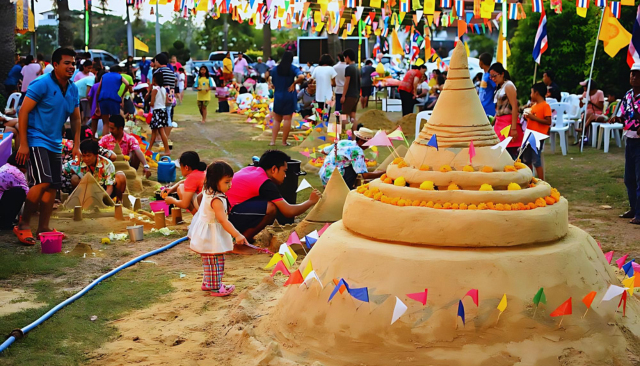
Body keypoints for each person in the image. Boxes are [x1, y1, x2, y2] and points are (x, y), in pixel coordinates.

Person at [14, 48, 81, 245]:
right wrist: (24, 144)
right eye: (67, 63)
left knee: (53, 186)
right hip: (36, 138)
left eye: (73, 63)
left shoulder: (73, 88)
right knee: (42, 181)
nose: (71, 67)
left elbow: (76, 118)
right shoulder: (41, 83)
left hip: (55, 141)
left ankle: (43, 226)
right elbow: (23, 112)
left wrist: (76, 144)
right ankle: (23, 224)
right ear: (56, 64)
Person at [227, 150, 321, 243]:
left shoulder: (252, 170)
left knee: (265, 203)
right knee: (270, 208)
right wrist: (310, 201)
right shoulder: (265, 183)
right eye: (284, 171)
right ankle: (242, 241)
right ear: (274, 169)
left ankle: (241, 236)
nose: (285, 176)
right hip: (227, 216)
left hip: (224, 212)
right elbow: (288, 211)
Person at [188, 160, 248, 296]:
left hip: (206, 232)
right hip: (211, 235)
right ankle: (215, 288)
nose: (230, 185)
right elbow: (223, 220)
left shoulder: (208, 191)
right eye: (227, 182)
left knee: (208, 261)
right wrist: (237, 234)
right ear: (215, 181)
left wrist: (204, 214)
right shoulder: (216, 199)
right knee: (216, 261)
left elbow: (198, 199)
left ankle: (208, 283)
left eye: (230, 181)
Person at [613, 63, 640, 224]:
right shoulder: (628, 95)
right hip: (629, 138)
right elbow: (624, 114)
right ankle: (633, 207)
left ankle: (639, 213)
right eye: (632, 74)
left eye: (637, 74)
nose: (634, 77)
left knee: (639, 177)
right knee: (629, 177)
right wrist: (617, 118)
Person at [319, 127, 384, 188]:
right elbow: (365, 175)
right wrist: (383, 173)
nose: (368, 147)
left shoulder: (343, 142)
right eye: (368, 144)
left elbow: (324, 151)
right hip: (334, 180)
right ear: (361, 141)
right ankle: (346, 189)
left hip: (324, 175)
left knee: (350, 164)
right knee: (353, 169)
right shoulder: (357, 151)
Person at [266, 51, 304, 146]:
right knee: (287, 119)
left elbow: (267, 74)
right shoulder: (292, 68)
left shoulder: (275, 69)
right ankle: (284, 142)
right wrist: (294, 84)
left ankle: (272, 141)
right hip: (289, 95)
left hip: (278, 95)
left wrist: (270, 84)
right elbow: (301, 76)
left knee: (277, 120)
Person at [490, 62, 522, 159]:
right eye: (491, 77)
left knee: (507, 154)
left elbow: (515, 106)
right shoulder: (501, 87)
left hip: (508, 124)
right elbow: (499, 109)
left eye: (494, 76)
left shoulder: (508, 86)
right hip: (500, 123)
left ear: (502, 74)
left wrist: (513, 128)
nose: (493, 79)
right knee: (500, 153)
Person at [522, 83, 552, 180]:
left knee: (536, 160)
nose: (530, 95)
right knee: (527, 159)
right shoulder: (534, 106)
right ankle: (531, 179)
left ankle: (541, 181)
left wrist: (533, 118)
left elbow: (548, 121)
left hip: (538, 135)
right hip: (529, 134)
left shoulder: (545, 106)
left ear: (536, 93)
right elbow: (532, 119)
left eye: (531, 93)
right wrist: (527, 118)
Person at [96, 66, 130, 137]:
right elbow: (127, 84)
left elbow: (98, 90)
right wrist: (122, 94)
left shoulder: (104, 76)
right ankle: (116, 140)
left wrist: (97, 105)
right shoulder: (119, 76)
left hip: (103, 99)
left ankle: (103, 141)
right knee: (115, 122)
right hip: (113, 99)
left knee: (105, 122)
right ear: (119, 71)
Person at [0, 153, 29, 230]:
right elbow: (29, 196)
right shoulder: (17, 173)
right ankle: (5, 223)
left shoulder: (5, 167)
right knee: (19, 192)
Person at [576, 80, 605, 145]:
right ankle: (584, 136)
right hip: (587, 113)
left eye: (584, 86)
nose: (583, 88)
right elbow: (581, 106)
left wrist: (591, 102)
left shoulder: (599, 93)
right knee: (586, 114)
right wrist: (580, 101)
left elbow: (600, 107)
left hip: (597, 113)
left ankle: (583, 129)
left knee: (589, 114)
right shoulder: (585, 93)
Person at [153, 53, 177, 128]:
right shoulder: (171, 72)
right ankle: (167, 134)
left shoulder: (158, 72)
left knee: (159, 117)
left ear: (158, 61)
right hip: (170, 95)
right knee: (168, 115)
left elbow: (155, 84)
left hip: (161, 97)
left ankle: (160, 135)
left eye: (155, 61)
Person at [149, 72, 170, 157]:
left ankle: (167, 150)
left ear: (155, 79)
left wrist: (149, 101)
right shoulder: (163, 89)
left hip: (157, 111)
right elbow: (165, 101)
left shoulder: (155, 90)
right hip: (163, 110)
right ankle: (149, 149)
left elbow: (152, 103)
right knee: (156, 131)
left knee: (160, 131)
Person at [341, 48, 361, 130]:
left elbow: (347, 83)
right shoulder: (357, 68)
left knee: (343, 116)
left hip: (349, 95)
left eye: (345, 58)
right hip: (356, 95)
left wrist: (343, 96)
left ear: (347, 57)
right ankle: (354, 136)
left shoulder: (349, 68)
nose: (345, 60)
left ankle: (343, 134)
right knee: (353, 116)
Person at [87, 71, 105, 136]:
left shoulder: (95, 86)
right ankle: (104, 140)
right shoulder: (107, 86)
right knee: (106, 125)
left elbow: (89, 97)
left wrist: (91, 106)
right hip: (104, 108)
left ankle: (93, 138)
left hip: (95, 108)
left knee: (94, 127)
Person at [333, 53, 347, 121]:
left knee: (338, 106)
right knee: (345, 107)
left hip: (338, 89)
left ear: (338, 58)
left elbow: (333, 78)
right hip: (346, 89)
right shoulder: (348, 66)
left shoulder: (335, 67)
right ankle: (344, 120)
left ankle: (338, 120)